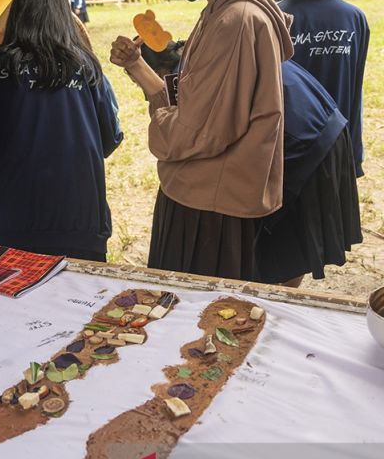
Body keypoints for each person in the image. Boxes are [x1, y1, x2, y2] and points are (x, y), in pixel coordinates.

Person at [110, 0, 293, 281]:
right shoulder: (224, 11)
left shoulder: (234, 20)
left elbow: (201, 131)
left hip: (209, 208)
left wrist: (159, 124)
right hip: (204, 197)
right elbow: (196, 107)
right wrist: (136, 64)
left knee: (196, 313)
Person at [139, 41, 362, 287]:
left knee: (290, 238)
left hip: (304, 140)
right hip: (322, 124)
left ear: (160, 72)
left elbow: (195, 139)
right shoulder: (201, 53)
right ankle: (276, 301)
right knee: (284, 240)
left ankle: (278, 306)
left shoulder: (190, 76)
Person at [0, 0, 123, 262]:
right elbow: (109, 138)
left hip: (9, 222)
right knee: (78, 303)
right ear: (63, 16)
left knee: (13, 301)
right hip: (79, 223)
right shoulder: (86, 67)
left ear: (18, 15)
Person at [277, 0, 369, 178]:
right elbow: (355, 94)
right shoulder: (353, 18)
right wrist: (353, 156)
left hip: (287, 151)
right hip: (337, 146)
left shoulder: (275, 16)